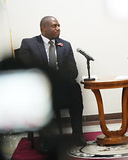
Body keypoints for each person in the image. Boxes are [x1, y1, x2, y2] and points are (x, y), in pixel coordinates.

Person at [17, 16, 86, 153]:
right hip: (40, 88)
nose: (58, 28)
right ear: (43, 28)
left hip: (61, 89)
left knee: (75, 87)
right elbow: (26, 70)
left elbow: (73, 71)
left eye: (59, 25)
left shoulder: (65, 45)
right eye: (54, 26)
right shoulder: (29, 43)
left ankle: (77, 135)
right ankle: (44, 139)